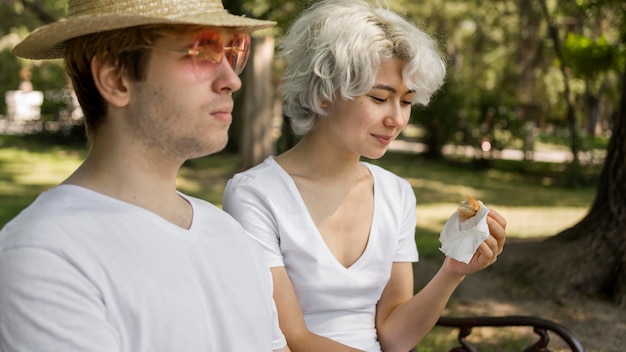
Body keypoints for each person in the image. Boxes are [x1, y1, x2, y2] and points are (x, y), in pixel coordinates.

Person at [0, 1, 290, 351]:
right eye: (204, 52)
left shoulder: (233, 237)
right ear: (115, 78)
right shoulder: (45, 255)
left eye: (233, 51)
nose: (232, 80)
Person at [222, 1, 507, 351]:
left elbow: (393, 335)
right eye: (379, 97)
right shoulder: (255, 194)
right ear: (325, 94)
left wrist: (452, 271)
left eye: (405, 102)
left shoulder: (396, 194)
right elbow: (293, 339)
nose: (397, 119)